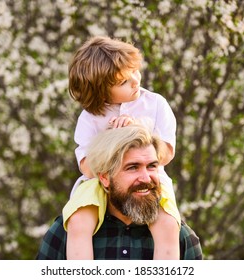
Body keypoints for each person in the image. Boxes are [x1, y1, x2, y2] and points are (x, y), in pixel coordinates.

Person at [64, 36, 180, 259]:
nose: (136, 81)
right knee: (78, 221)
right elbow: (88, 168)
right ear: (100, 91)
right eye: (123, 82)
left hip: (151, 178)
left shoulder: (155, 104)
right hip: (100, 183)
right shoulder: (90, 117)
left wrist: (138, 132)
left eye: (135, 71)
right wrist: (112, 141)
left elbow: (165, 154)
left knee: (168, 224)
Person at [37, 125, 202, 260]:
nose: (146, 178)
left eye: (152, 166)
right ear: (104, 177)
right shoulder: (65, 233)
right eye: (132, 167)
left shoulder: (180, 238)